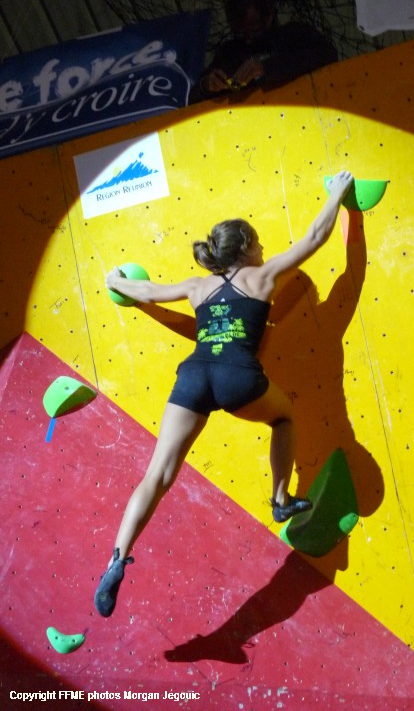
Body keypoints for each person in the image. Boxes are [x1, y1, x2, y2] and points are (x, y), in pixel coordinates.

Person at [94, 170, 354, 617]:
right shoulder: (262, 277)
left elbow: (148, 292)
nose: (264, 250)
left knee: (157, 474)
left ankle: (116, 559)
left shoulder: (197, 287)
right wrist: (337, 194)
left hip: (194, 376)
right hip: (238, 378)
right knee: (283, 417)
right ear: (247, 248)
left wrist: (116, 281)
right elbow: (316, 236)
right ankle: (280, 498)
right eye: (259, 244)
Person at [189, 0, 337, 102]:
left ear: (269, 17)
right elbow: (193, 97)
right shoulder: (230, 53)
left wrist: (266, 68)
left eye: (254, 30)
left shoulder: (292, 34)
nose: (248, 39)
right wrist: (207, 85)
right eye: (240, 33)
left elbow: (327, 54)